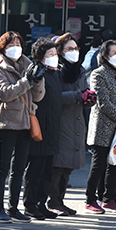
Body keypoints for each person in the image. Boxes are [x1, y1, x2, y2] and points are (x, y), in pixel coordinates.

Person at [0, 31, 45, 223]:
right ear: (3, 49)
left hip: (25, 123)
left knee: (19, 168)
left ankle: (13, 208)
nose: (16, 47)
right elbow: (5, 93)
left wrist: (37, 81)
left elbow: (37, 97)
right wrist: (27, 81)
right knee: (2, 167)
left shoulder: (29, 65)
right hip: (5, 122)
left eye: (18, 43)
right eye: (11, 44)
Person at [84, 39, 116, 214]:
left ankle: (108, 198)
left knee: (115, 163)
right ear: (105, 56)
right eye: (114, 53)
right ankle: (90, 199)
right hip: (103, 125)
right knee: (99, 165)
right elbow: (102, 102)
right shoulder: (98, 74)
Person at [47, 33, 94, 216]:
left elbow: (83, 93)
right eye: (69, 49)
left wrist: (89, 98)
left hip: (76, 121)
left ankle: (60, 200)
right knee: (58, 166)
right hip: (60, 122)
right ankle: (53, 201)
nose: (74, 52)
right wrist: (77, 96)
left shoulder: (79, 70)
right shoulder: (55, 70)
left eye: (76, 49)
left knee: (68, 167)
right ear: (59, 51)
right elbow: (53, 97)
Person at [23, 37, 62, 221]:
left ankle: (41, 203)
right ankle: (30, 204)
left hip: (53, 127)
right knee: (35, 170)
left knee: (47, 170)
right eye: (51, 54)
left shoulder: (55, 73)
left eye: (55, 54)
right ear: (40, 57)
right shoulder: (35, 71)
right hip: (39, 127)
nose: (55, 57)